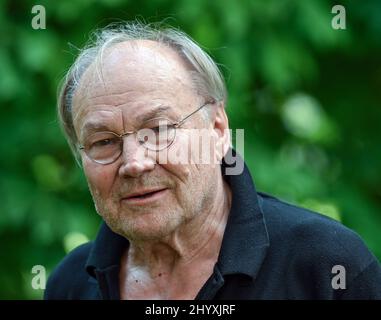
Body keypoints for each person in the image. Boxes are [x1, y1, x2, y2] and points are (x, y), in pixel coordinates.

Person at [45, 21, 381, 300]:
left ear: (218, 129)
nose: (134, 163)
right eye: (103, 142)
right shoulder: (69, 285)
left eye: (159, 130)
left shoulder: (325, 265)